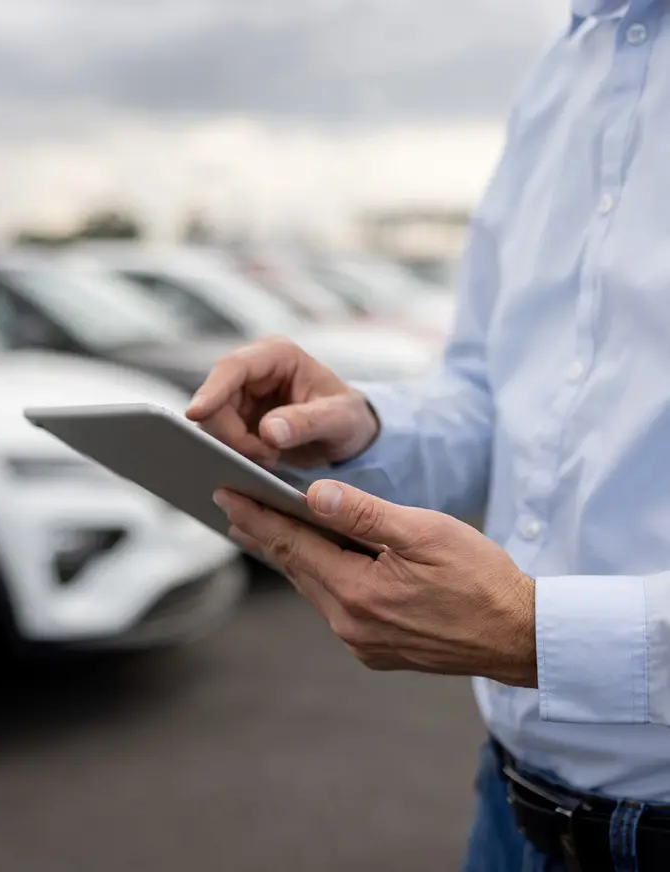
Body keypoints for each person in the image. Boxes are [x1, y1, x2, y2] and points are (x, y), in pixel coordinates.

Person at [186, 2, 670, 869]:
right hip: (513, 812)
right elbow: (495, 392)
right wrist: (363, 430)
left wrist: (534, 633)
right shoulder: (571, 67)